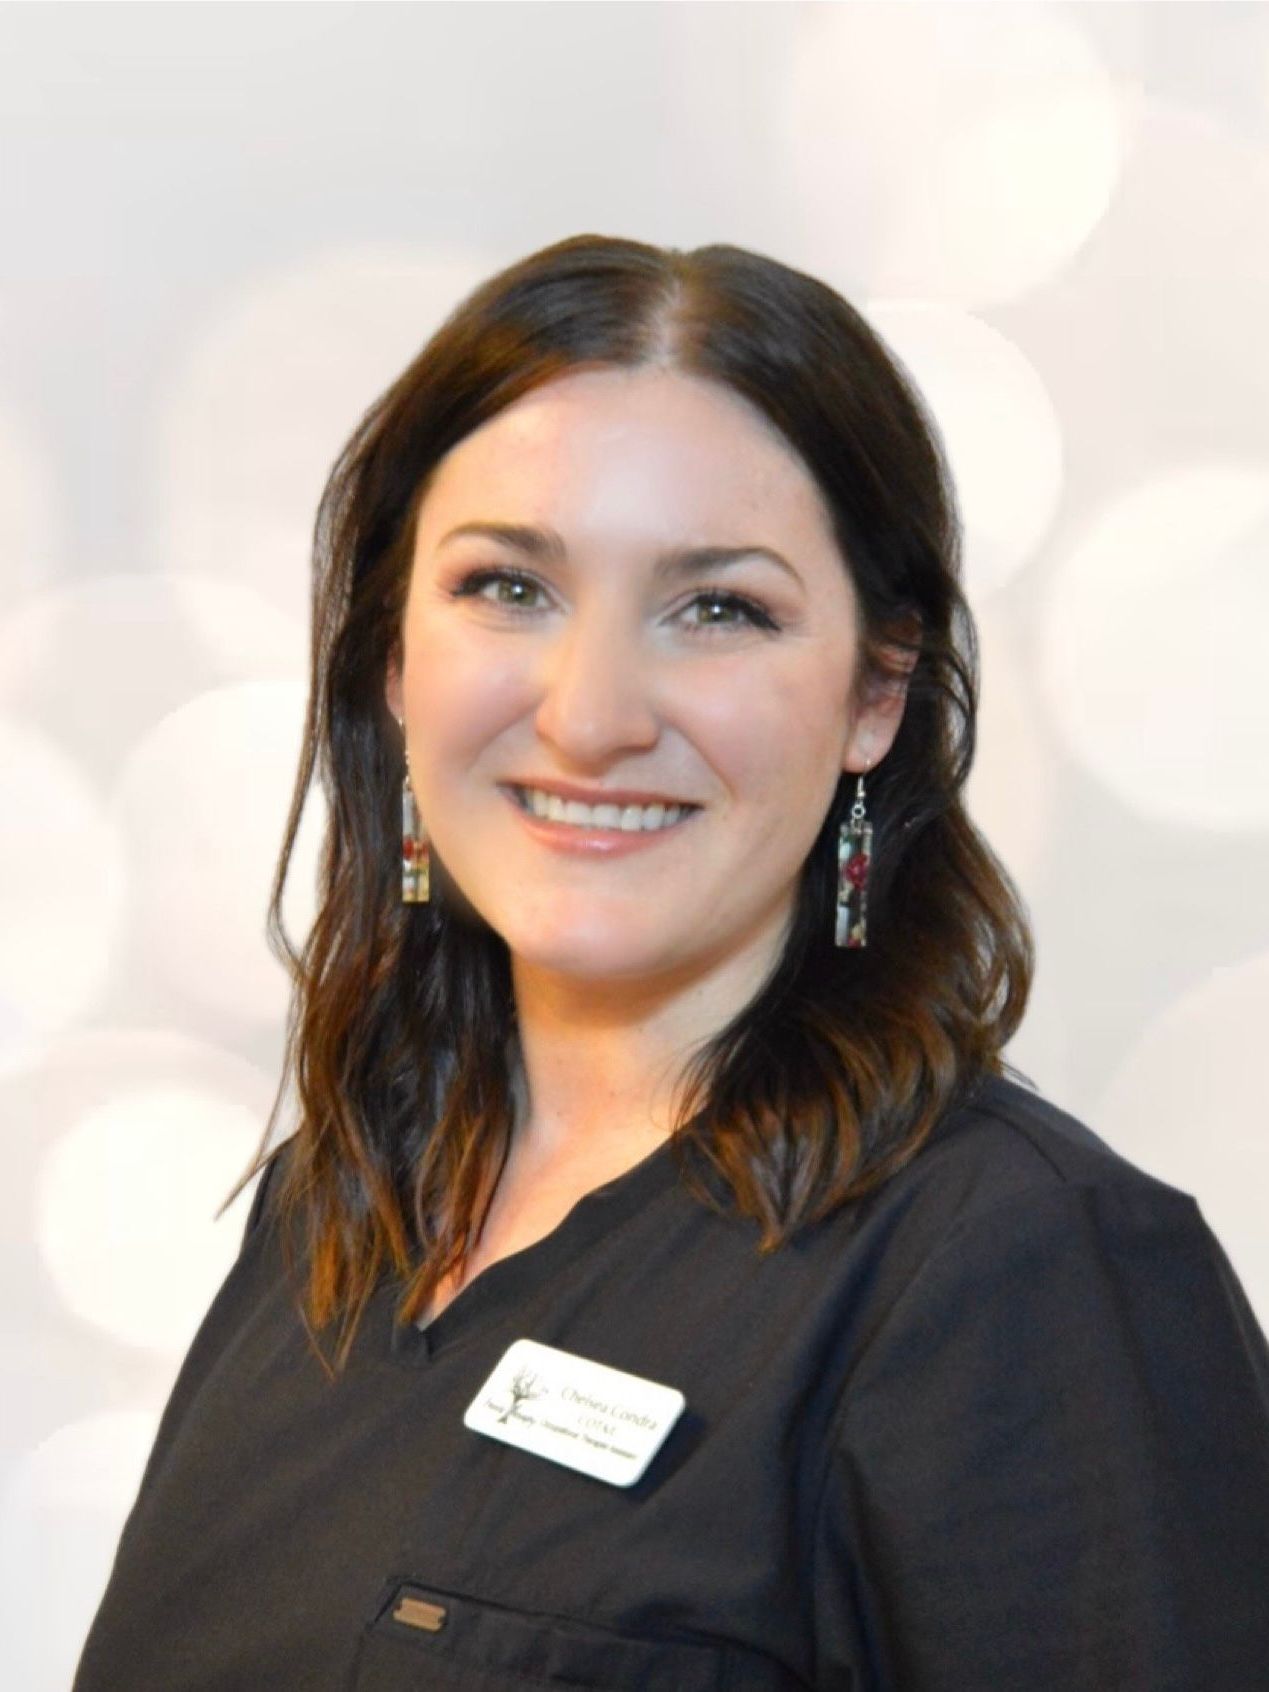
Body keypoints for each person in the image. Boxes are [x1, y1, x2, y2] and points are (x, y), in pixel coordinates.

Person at [72, 234, 1269, 1692]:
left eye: (718, 609)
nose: (590, 715)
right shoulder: (334, 1208)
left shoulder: (1021, 1272)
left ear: (873, 696)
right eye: (508, 588)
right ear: (394, 657)